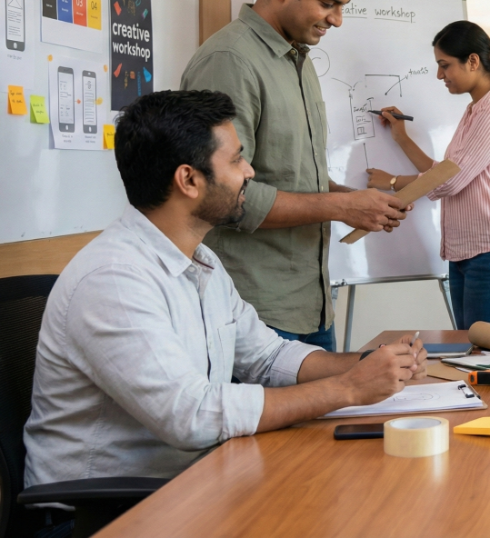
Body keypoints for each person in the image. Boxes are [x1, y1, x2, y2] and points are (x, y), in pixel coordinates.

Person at [24, 90, 428, 495]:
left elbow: (268, 357)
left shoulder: (202, 261)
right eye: (235, 159)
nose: (249, 171)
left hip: (192, 485)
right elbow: (191, 415)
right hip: (105, 511)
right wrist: (349, 389)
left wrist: (369, 364)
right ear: (189, 180)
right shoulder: (114, 281)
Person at [180, 0, 409, 351]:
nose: (337, 20)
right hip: (254, 313)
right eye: (328, 3)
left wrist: (359, 204)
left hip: (312, 303)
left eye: (343, 6)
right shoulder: (231, 60)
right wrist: (342, 204)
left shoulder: (298, 59)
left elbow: (296, 177)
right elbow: (228, 197)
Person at [365, 21, 490, 328]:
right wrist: (401, 137)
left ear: (473, 61)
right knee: (473, 360)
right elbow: (443, 172)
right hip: (473, 253)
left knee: (488, 363)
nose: (439, 75)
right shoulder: (477, 109)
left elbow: (449, 180)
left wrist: (392, 182)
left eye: (445, 65)